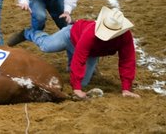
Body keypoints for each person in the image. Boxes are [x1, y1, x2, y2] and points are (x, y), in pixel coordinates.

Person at [8, 6, 141, 99]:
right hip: (70, 36)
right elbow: (79, 57)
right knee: (46, 46)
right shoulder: (91, 33)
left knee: (83, 83)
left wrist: (126, 88)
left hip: (91, 52)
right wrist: (76, 89)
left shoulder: (125, 37)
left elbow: (127, 61)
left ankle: (81, 67)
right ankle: (28, 33)